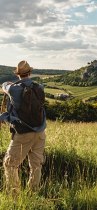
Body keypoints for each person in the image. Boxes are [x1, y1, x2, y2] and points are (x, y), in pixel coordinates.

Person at [0, 60, 46, 196]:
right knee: (36, 165)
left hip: (23, 133)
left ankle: (14, 195)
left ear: (18, 74)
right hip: (40, 132)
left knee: (10, 164)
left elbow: (4, 86)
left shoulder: (13, 89)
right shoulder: (40, 87)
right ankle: (33, 193)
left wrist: (8, 84)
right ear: (30, 73)